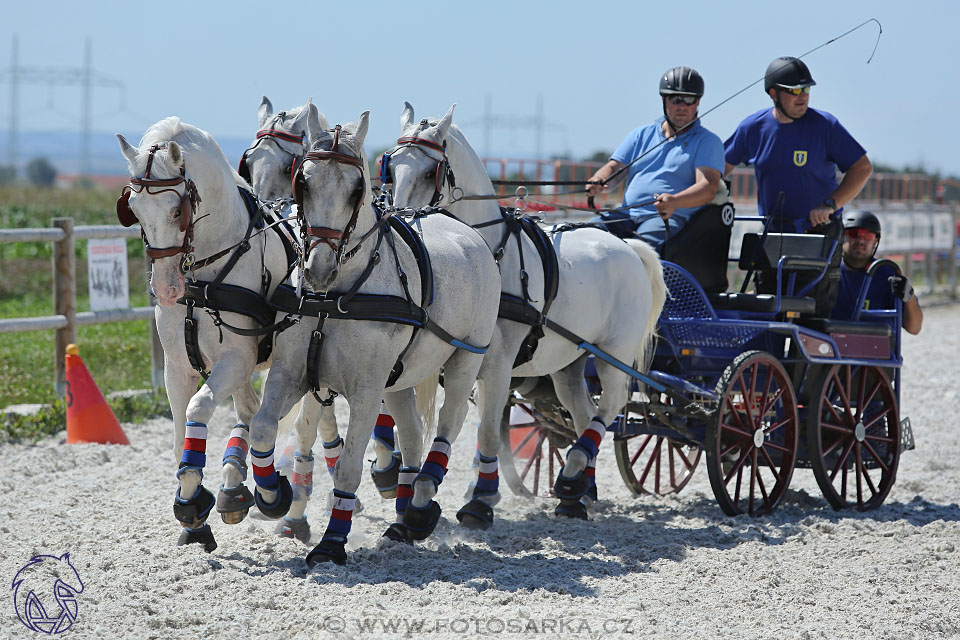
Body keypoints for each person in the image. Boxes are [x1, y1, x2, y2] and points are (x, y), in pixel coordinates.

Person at [723, 56, 874, 315]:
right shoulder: (753, 128)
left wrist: (831, 204)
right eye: (793, 91)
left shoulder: (826, 126)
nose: (802, 97)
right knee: (767, 311)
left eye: (806, 90)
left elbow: (862, 168)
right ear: (773, 94)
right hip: (773, 235)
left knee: (811, 315)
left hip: (818, 234)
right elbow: (718, 170)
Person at [586, 66, 725, 250]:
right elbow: (613, 169)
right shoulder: (640, 134)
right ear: (664, 100)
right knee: (587, 235)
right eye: (676, 99)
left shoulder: (708, 142)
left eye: (689, 99)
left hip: (666, 219)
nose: (682, 106)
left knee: (638, 252)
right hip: (625, 215)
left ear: (698, 102)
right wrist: (599, 180)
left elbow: (708, 188)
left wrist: (674, 202)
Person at [832, 210, 923, 334]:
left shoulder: (888, 274)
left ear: (875, 242)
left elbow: (914, 328)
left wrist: (909, 297)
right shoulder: (828, 273)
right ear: (841, 237)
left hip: (876, 348)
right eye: (853, 234)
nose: (860, 240)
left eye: (867, 236)